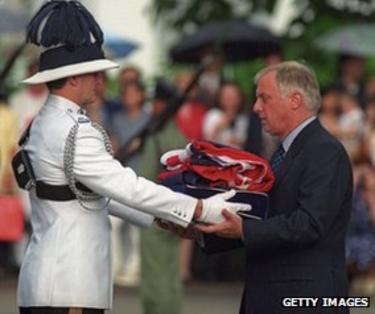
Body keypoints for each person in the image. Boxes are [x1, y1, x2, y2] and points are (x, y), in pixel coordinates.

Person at [15, 2, 250, 314]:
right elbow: (125, 185)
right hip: (69, 286)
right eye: (95, 74)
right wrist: (202, 208)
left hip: (50, 281)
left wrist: (160, 218)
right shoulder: (74, 130)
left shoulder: (45, 123)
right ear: (73, 78)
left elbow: (86, 192)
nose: (101, 82)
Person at [195, 61, 353, 314]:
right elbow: (266, 218)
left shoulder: (324, 150)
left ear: (295, 100)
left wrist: (244, 228)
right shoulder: (287, 151)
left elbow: (310, 223)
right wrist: (205, 230)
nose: (256, 107)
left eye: (264, 98)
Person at [139, 80, 188, 314]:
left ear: (161, 104)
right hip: (176, 210)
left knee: (153, 274)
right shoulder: (179, 136)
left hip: (154, 212)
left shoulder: (156, 135)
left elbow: (145, 176)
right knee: (170, 271)